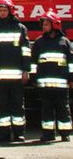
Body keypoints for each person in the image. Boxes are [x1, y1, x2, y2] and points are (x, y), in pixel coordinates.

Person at [0, 0, 31, 142]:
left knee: (17, 105)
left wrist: (26, 70)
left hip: (17, 76)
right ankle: (3, 134)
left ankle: (18, 133)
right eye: (0, 10)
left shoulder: (20, 28)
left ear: (10, 11)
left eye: (5, 10)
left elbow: (25, 51)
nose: (2, 13)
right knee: (2, 106)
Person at [31, 10, 73, 142]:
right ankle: (48, 134)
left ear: (55, 25)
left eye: (47, 24)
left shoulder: (64, 42)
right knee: (46, 110)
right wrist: (33, 79)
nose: (44, 27)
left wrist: (71, 78)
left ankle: (65, 133)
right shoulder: (39, 42)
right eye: (43, 25)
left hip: (61, 85)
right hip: (44, 85)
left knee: (63, 109)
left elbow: (71, 62)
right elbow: (33, 62)